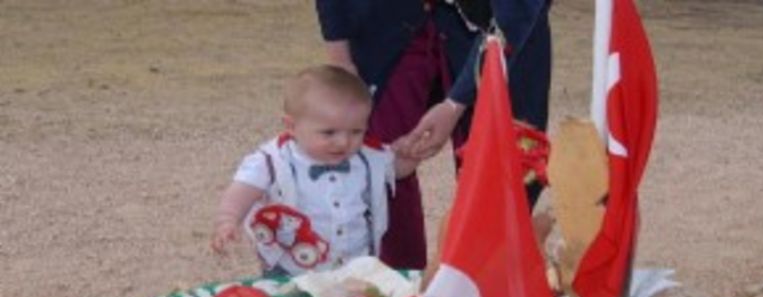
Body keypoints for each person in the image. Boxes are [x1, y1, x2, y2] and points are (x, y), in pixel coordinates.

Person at [314, 0, 552, 270]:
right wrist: (339, 53)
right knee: (381, 163)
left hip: (492, 26)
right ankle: (395, 287)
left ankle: (486, 285)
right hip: (384, 21)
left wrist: (454, 104)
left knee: (499, 175)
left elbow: (517, 17)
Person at [211, 65, 419, 277]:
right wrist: (228, 219)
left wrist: (411, 156)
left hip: (356, 265)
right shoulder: (271, 161)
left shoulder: (368, 156)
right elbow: (243, 190)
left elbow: (397, 170)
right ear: (291, 126)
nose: (343, 142)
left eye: (356, 131)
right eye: (329, 133)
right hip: (290, 267)